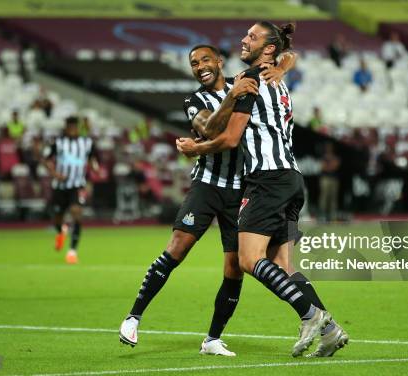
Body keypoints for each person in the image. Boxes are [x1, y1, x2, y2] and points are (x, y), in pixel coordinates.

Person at [177, 21, 348, 358]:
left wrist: (195, 149)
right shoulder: (276, 79)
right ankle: (330, 331)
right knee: (283, 265)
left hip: (266, 180)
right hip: (292, 179)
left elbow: (229, 138)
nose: (243, 39)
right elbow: (289, 57)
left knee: (248, 259)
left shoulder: (252, 81)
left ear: (269, 48)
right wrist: (285, 63)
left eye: (252, 37)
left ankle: (311, 315)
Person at [119, 45, 298, 356]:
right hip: (208, 185)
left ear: (219, 61)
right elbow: (207, 127)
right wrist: (232, 96)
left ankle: (212, 339)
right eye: (193, 63)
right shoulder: (196, 99)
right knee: (178, 247)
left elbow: (287, 55)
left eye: (204, 59)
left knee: (235, 267)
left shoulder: (244, 82)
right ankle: (133, 317)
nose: (199, 66)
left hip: (241, 189)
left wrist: (282, 69)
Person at [42, 116, 98, 264]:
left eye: (75, 127)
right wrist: (55, 174)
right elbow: (47, 160)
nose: (73, 130)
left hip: (77, 184)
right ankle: (61, 231)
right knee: (57, 218)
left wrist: (95, 167)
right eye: (70, 127)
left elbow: (92, 158)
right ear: (66, 128)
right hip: (60, 186)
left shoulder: (86, 143)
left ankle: (72, 251)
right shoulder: (58, 142)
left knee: (77, 213)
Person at [319, 142, 340, 222]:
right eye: (327, 147)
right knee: (324, 198)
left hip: (334, 179)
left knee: (333, 198)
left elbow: (336, 166)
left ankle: (332, 217)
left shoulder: (335, 156)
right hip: (325, 178)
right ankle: (322, 216)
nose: (329, 149)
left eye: (330, 147)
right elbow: (323, 167)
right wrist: (330, 166)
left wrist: (329, 166)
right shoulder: (323, 156)